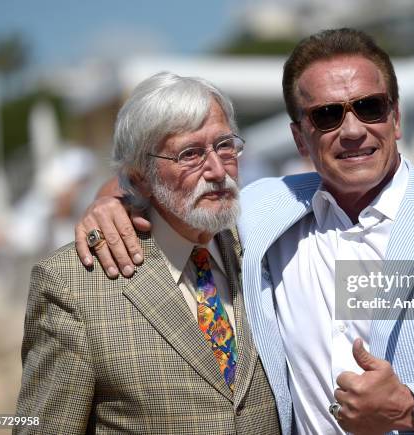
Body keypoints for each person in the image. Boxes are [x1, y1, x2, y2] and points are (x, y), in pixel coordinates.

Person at [74, 29, 414, 434]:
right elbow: (162, 182)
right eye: (328, 115)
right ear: (300, 136)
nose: (353, 130)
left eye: (370, 107)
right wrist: (110, 202)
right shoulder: (263, 211)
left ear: (396, 117)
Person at [15, 73, 281, 434]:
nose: (218, 170)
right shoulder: (74, 285)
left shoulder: (267, 245)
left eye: (224, 145)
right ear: (139, 177)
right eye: (190, 154)